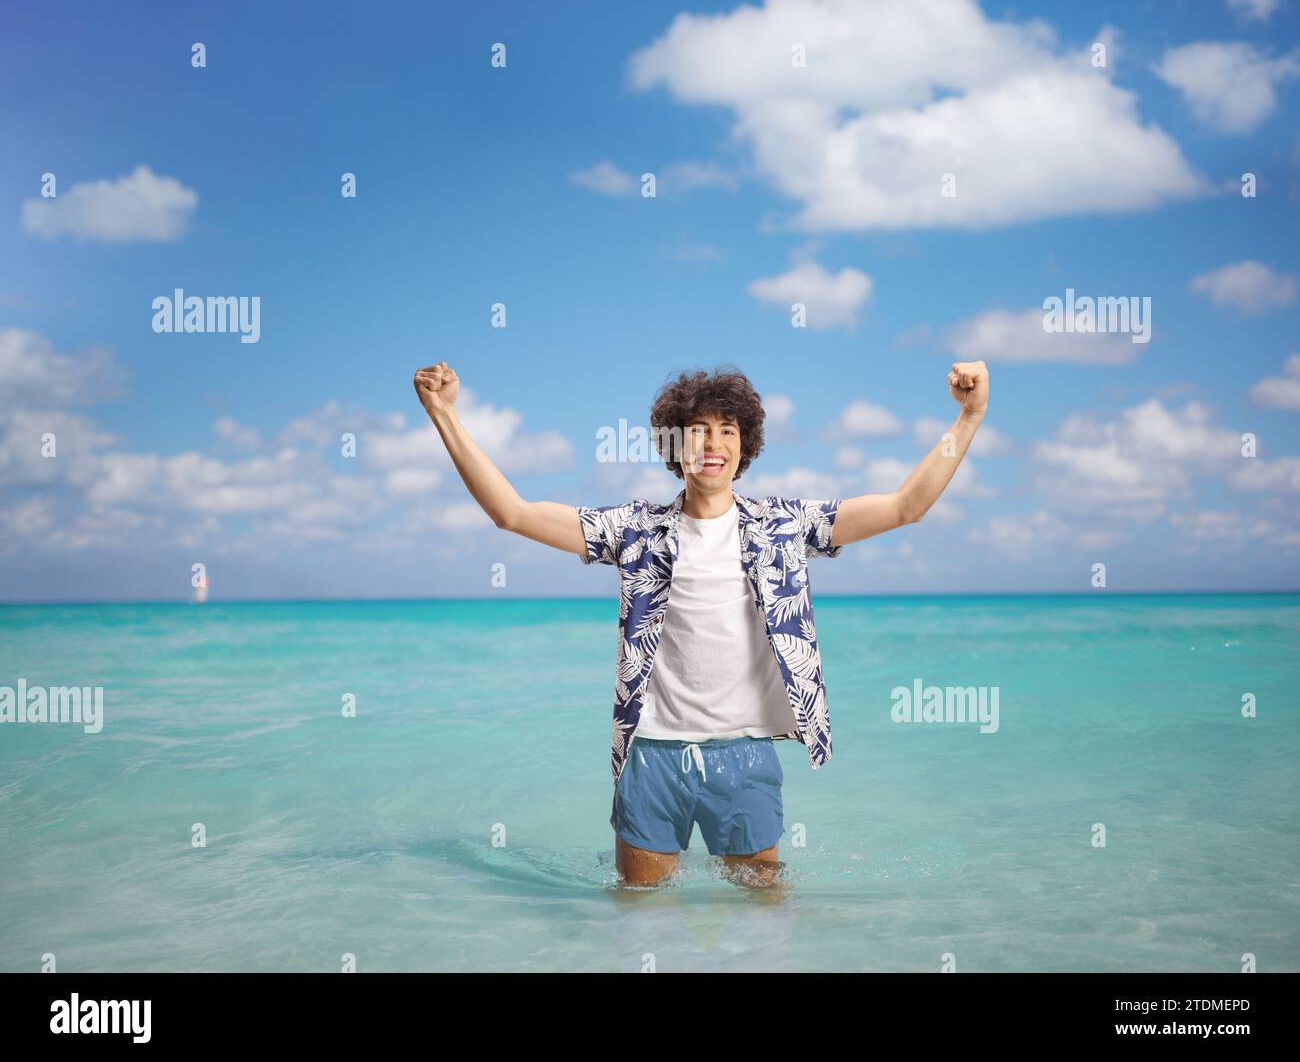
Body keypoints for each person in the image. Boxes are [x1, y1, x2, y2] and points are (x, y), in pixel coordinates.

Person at [413, 361, 989, 889]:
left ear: (746, 447)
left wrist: (968, 416)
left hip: (744, 755)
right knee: (640, 919)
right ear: (675, 444)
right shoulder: (636, 529)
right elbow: (511, 513)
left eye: (728, 431)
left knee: (764, 921)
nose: (712, 444)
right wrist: (445, 416)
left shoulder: (784, 527)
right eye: (698, 430)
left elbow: (905, 507)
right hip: (652, 755)